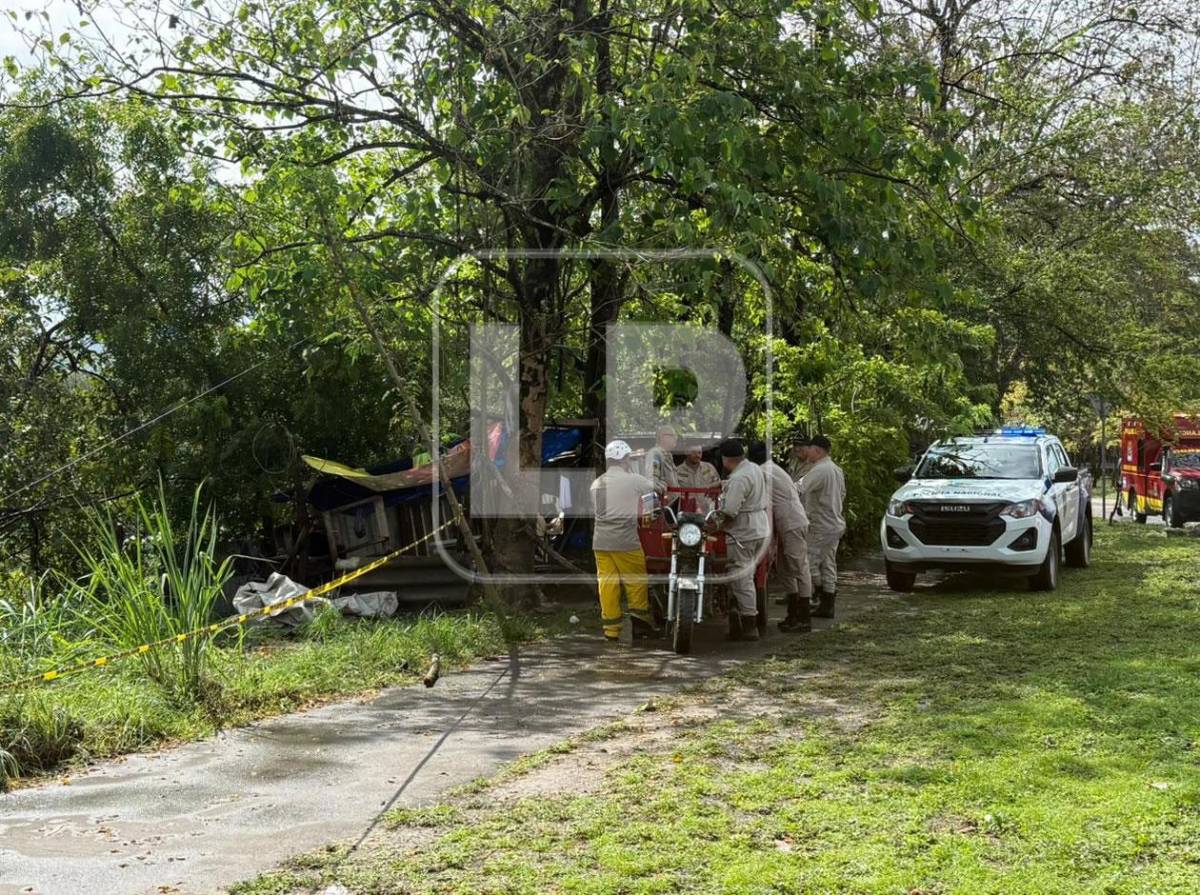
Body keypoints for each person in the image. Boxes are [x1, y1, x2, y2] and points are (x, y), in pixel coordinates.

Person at [590, 439, 660, 642]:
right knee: (635, 582)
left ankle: (611, 631)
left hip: (601, 542)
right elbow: (655, 488)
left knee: (607, 585)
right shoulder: (632, 479)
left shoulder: (597, 483)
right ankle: (641, 626)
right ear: (626, 459)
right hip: (625, 541)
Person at [748, 441, 812, 633]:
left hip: (792, 523)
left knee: (799, 567)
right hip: (787, 524)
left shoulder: (762, 471)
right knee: (785, 570)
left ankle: (804, 617)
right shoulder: (771, 468)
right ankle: (793, 614)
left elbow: (745, 486)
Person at [713, 438, 770, 641]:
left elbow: (730, 511)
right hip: (760, 527)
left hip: (743, 529)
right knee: (750, 575)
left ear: (726, 460)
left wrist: (714, 524)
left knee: (741, 577)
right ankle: (742, 619)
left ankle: (749, 624)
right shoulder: (753, 468)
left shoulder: (738, 478)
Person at [798, 434, 846, 618]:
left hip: (821, 524)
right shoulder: (835, 469)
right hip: (834, 522)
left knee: (808, 562)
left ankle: (820, 594)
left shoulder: (820, 470)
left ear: (817, 450)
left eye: (808, 448)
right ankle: (827, 603)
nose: (805, 452)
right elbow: (842, 494)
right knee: (827, 563)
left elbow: (800, 488)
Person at [675, 445, 721, 512]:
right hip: (686, 513)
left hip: (707, 512)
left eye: (700, 453)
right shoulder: (677, 471)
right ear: (686, 452)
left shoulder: (709, 468)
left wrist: (710, 487)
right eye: (694, 452)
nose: (697, 455)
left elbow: (719, 485)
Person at [643, 425, 680, 496]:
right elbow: (653, 481)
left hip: (672, 503)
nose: (676, 438)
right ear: (663, 437)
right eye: (673, 435)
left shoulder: (667, 455)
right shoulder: (655, 454)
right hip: (664, 503)